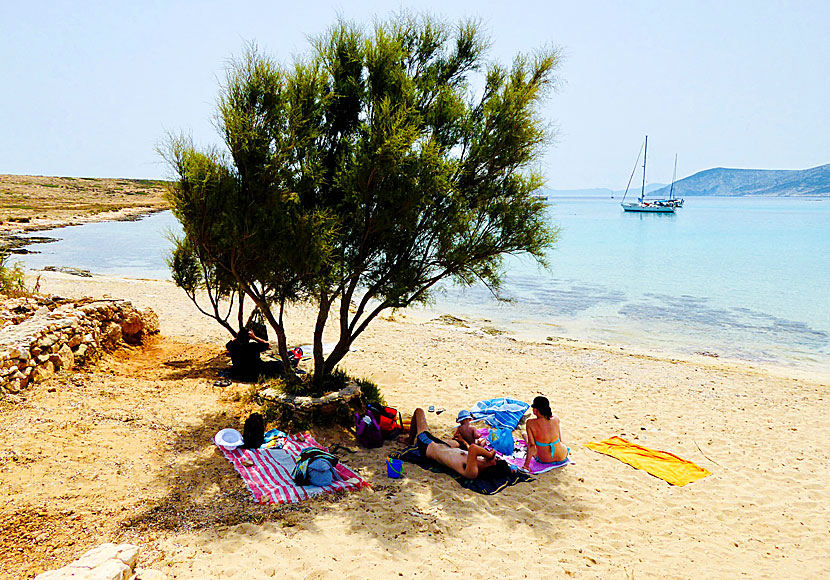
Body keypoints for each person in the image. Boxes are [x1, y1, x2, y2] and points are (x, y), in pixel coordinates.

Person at [401, 408, 508, 479]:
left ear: (493, 463)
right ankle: (411, 439)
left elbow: (473, 449)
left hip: (428, 447)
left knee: (419, 412)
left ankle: (409, 440)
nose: (494, 456)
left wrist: (489, 454)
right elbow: (470, 449)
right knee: (456, 442)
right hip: (444, 447)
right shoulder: (479, 460)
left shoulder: (473, 472)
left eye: (496, 458)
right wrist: (462, 441)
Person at [523, 395, 568, 469]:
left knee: (524, 435)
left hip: (545, 459)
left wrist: (526, 465)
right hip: (562, 456)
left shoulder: (530, 423)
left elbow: (531, 445)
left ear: (535, 410)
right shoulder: (556, 418)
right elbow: (560, 438)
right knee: (558, 431)